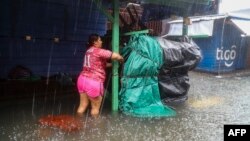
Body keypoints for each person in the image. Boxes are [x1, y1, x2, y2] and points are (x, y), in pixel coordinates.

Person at [77, 34, 124, 117]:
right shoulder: (98, 51)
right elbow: (115, 56)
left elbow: (99, 64)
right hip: (93, 81)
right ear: (95, 42)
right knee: (95, 109)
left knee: (82, 106)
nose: (101, 42)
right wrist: (121, 59)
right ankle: (96, 127)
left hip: (82, 80)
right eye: (100, 40)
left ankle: (77, 124)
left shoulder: (88, 51)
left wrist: (112, 65)